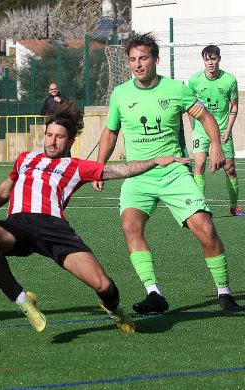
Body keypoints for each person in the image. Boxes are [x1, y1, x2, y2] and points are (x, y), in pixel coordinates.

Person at [0, 100, 191, 334]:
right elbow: (8, 185)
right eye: (49, 135)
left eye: (60, 137)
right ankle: (24, 301)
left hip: (54, 230)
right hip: (18, 225)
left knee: (104, 285)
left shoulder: (76, 166)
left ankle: (114, 310)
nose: (52, 141)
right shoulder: (25, 159)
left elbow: (120, 170)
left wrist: (154, 161)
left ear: (70, 141)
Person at [93, 33, 242, 315]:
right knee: (130, 226)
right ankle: (154, 293)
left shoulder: (176, 89)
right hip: (138, 175)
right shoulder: (121, 94)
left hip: (174, 172)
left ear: (156, 60)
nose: (137, 64)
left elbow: (206, 117)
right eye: (133, 59)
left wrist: (216, 146)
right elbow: (111, 131)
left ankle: (224, 292)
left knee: (206, 230)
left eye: (143, 58)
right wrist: (99, 167)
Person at [188, 45, 244, 216]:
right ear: (203, 60)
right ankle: (199, 207)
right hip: (201, 129)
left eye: (213, 58)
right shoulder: (195, 80)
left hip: (222, 130)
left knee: (230, 168)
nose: (210, 63)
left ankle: (234, 207)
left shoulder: (229, 80)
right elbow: (189, 106)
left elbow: (234, 106)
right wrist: (195, 127)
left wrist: (228, 130)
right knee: (198, 164)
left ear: (219, 59)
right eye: (207, 59)